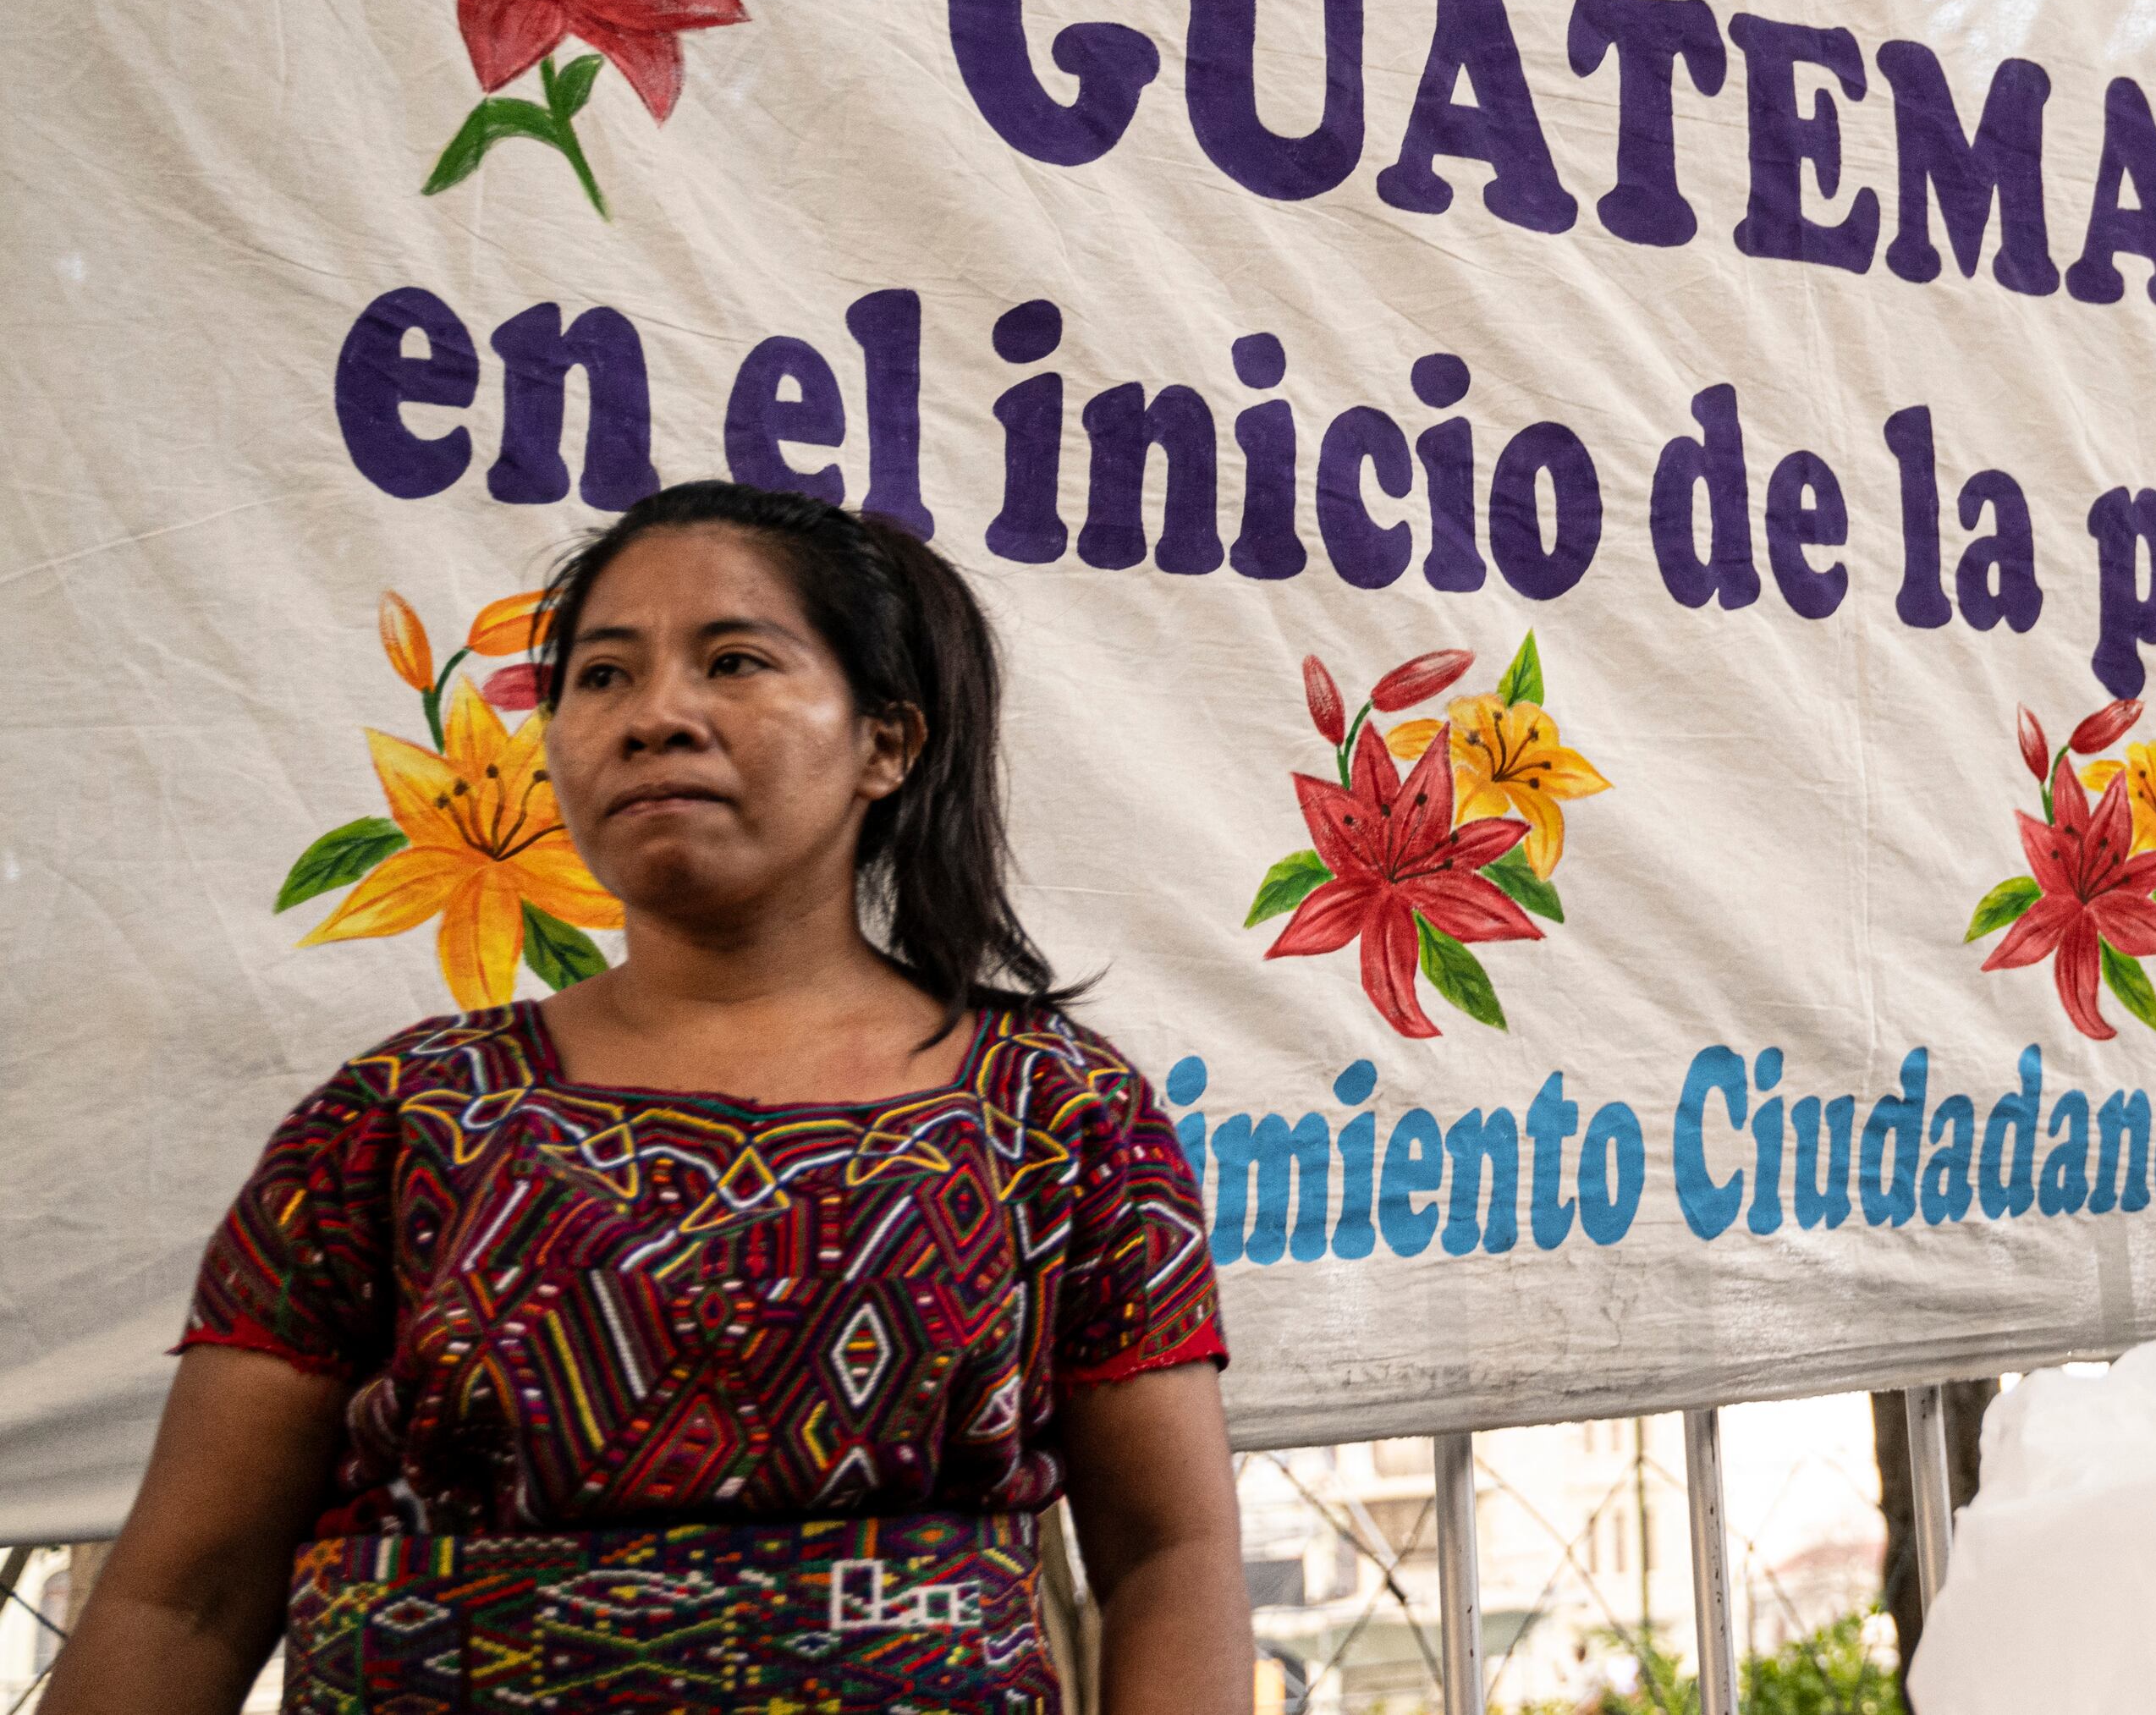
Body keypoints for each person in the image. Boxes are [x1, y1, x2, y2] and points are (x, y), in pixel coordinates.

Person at [46, 483, 1252, 1713]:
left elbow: (1170, 1557)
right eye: (603, 677)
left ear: (885, 743)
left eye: (734, 661)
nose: (655, 717)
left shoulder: (1057, 1119)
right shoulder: (393, 1123)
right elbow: (183, 1594)